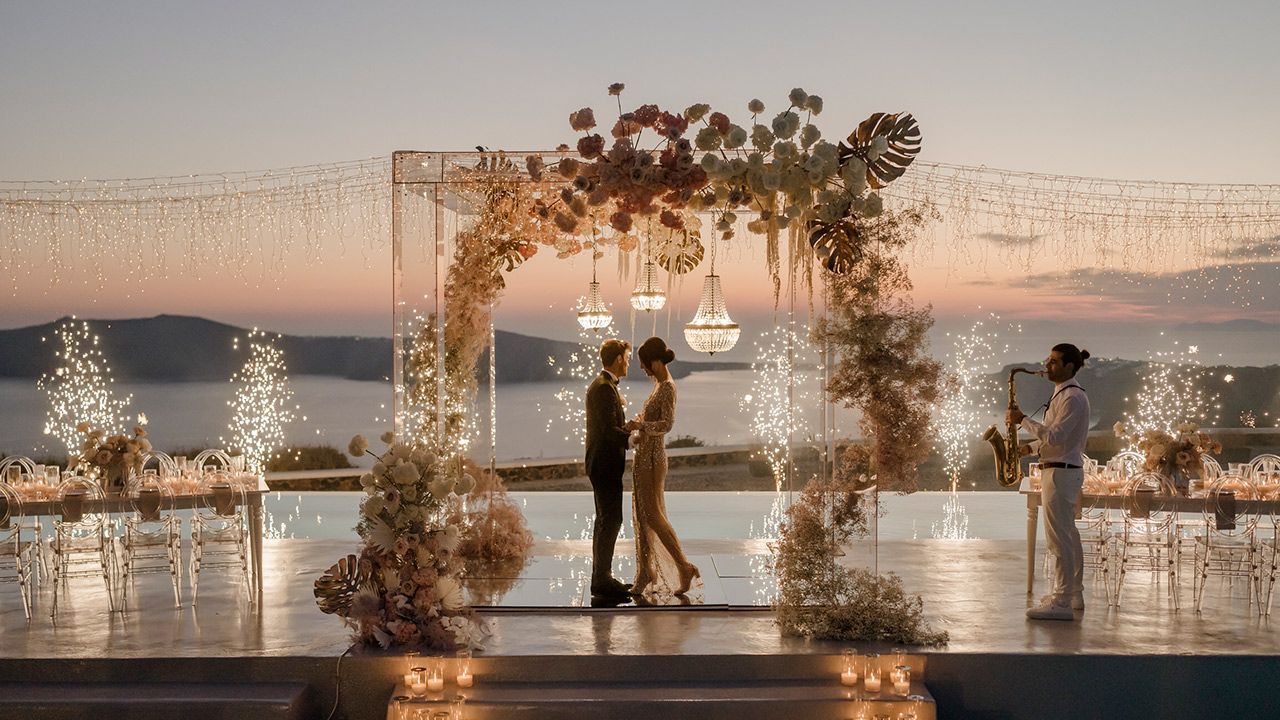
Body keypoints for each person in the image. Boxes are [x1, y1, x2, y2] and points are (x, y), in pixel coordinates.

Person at [1008, 343, 1092, 621]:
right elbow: (1059, 438)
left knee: (1059, 540)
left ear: (1069, 366)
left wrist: (1023, 421)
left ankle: (1061, 601)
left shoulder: (1072, 398)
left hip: (1061, 472)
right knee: (1068, 536)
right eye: (1049, 359)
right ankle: (1072, 594)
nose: (1048, 365)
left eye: (1054, 361)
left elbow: (1055, 436)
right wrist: (1029, 449)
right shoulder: (1064, 394)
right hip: (1060, 469)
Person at [627, 337, 701, 596]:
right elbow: (654, 424)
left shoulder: (667, 388)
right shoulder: (658, 386)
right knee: (643, 517)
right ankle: (645, 571)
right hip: (645, 456)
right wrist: (638, 432)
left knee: (653, 517)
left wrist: (641, 426)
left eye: (645, 364)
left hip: (653, 460)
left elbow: (667, 424)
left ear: (655, 361)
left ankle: (683, 566)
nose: (643, 369)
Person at [584, 338, 633, 598]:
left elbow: (609, 425)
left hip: (601, 462)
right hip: (604, 463)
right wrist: (630, 438)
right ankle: (602, 579)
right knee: (611, 519)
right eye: (627, 358)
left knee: (605, 519)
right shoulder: (604, 388)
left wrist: (628, 428)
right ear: (617, 360)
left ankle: (600, 577)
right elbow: (606, 429)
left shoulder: (603, 385)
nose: (628, 363)